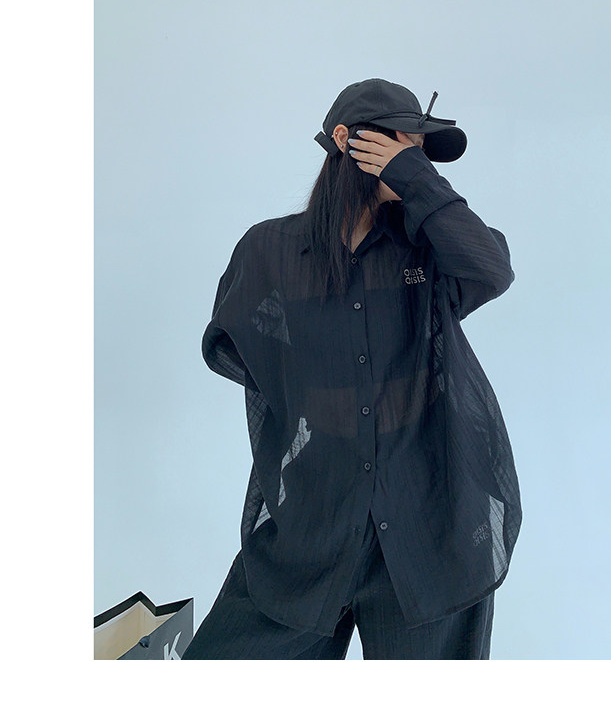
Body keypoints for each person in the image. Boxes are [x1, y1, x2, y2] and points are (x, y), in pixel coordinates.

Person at [182, 78, 522, 660]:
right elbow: (230, 346)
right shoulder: (270, 252)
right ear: (346, 139)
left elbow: (491, 271)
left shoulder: (428, 249)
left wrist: (414, 175)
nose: (416, 158)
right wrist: (318, 397)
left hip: (428, 533)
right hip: (309, 529)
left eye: (421, 151)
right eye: (403, 141)